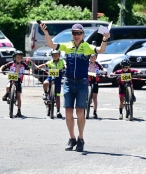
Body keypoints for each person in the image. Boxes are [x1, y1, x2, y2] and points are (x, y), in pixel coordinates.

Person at [39, 22, 110, 152]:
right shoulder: (67, 46)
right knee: (68, 112)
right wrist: (46, 32)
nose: (76, 35)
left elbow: (101, 50)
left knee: (80, 112)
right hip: (68, 82)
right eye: (74, 33)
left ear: (83, 34)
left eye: (78, 33)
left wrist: (104, 39)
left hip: (82, 82)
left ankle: (81, 138)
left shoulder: (87, 47)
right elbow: (51, 45)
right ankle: (72, 138)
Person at [0, 50, 31, 118]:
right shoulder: (11, 63)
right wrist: (0, 69)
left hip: (18, 80)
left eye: (20, 57)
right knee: (7, 87)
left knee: (18, 96)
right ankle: (7, 94)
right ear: (14, 58)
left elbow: (29, 68)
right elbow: (3, 66)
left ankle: (19, 111)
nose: (19, 58)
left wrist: (30, 72)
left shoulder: (23, 64)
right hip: (12, 78)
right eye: (17, 57)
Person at [35, 49, 66, 118]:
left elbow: (65, 65)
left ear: (59, 55)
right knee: (45, 83)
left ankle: (58, 111)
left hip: (58, 80)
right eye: (54, 55)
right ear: (52, 56)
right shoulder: (50, 62)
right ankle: (46, 93)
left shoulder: (62, 61)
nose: (55, 56)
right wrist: (38, 67)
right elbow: (44, 64)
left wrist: (66, 67)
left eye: (57, 55)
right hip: (51, 77)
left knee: (58, 96)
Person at [88, 53, 106, 119]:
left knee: (95, 97)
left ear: (96, 58)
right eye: (91, 57)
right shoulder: (87, 63)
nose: (92, 59)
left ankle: (95, 111)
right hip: (88, 79)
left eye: (94, 57)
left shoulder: (98, 64)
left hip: (95, 79)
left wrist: (104, 71)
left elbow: (103, 68)